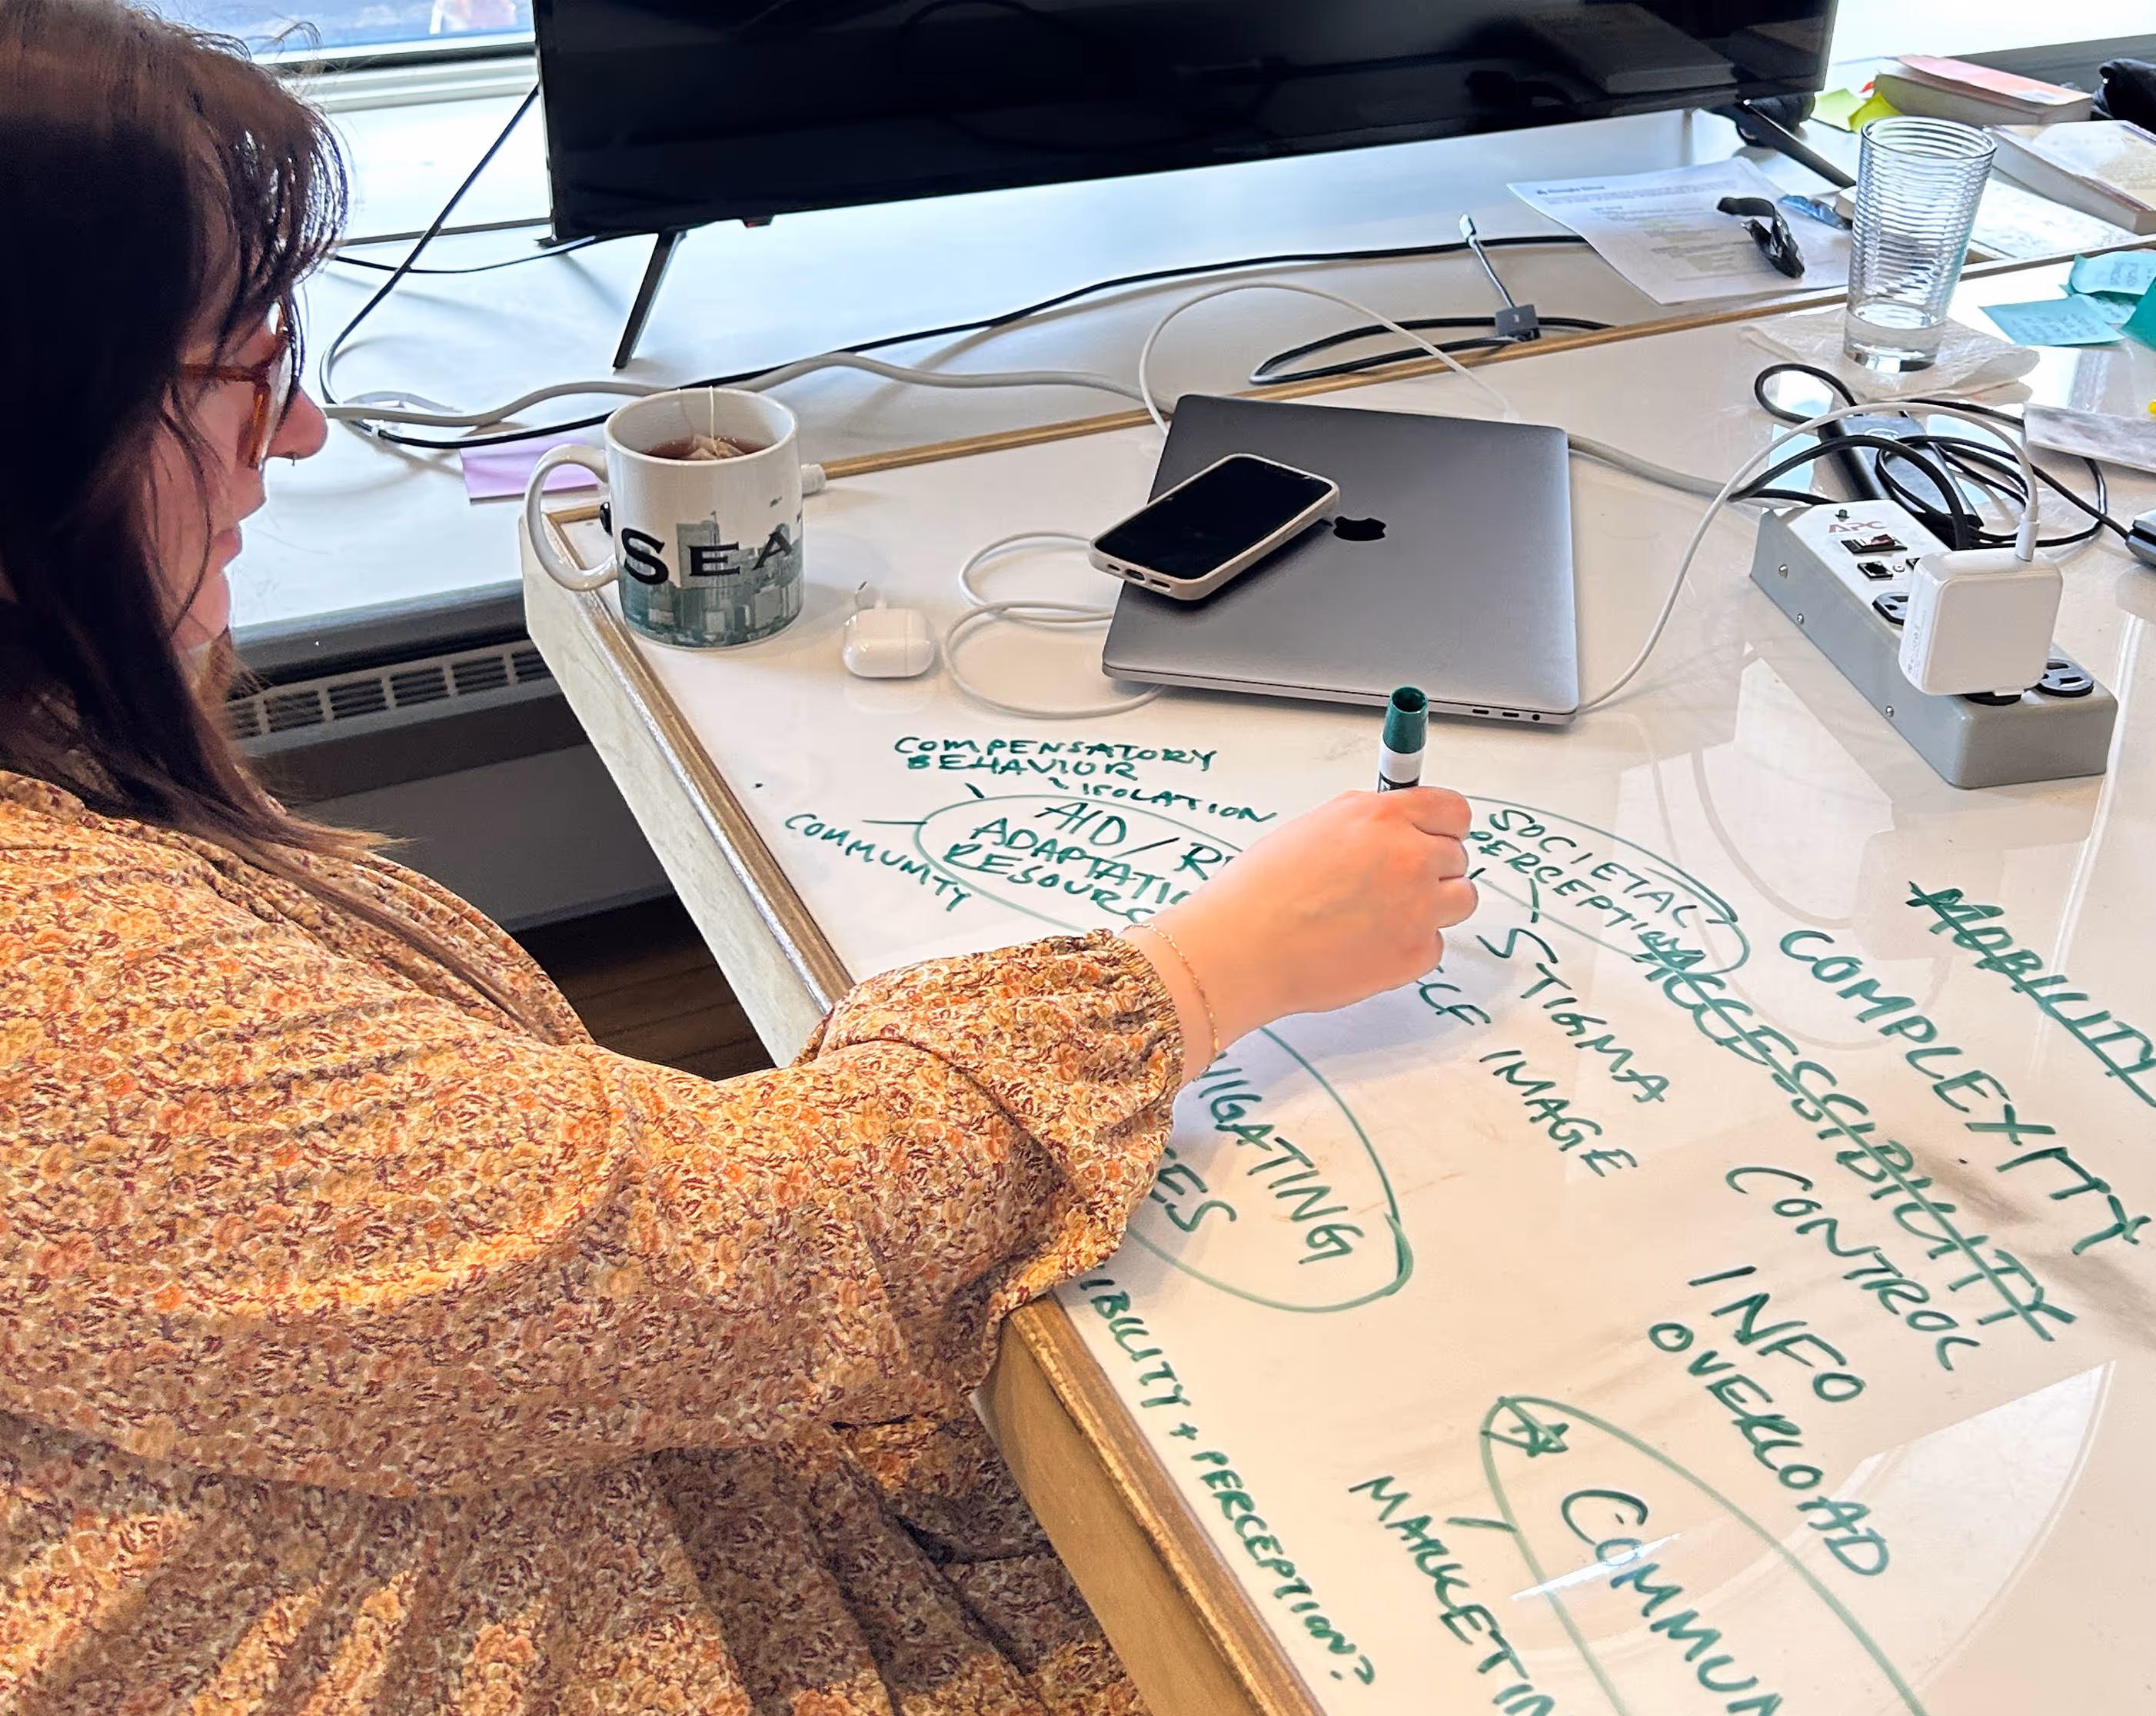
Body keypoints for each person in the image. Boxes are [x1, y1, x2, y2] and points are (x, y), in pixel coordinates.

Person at [0, 3, 1478, 1710]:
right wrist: (1209, 969)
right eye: (244, 366)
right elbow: (700, 1264)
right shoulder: (56, 989)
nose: (305, 431)